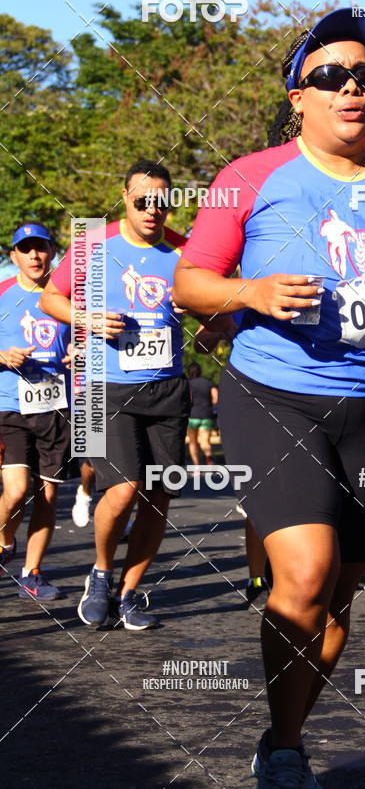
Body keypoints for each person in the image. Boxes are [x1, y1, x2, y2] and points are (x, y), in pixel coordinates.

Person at [173, 7, 365, 788]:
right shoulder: (249, 177)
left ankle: (282, 734)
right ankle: (287, 752)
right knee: (305, 572)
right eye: (331, 76)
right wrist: (253, 291)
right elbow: (189, 282)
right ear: (298, 96)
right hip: (276, 395)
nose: (352, 88)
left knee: (336, 602)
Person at [41, 159, 191, 631]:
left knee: (158, 496)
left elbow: (216, 313)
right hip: (106, 383)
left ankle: (129, 593)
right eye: (142, 200)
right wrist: (87, 319)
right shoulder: (92, 242)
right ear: (125, 197)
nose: (152, 210)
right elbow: (50, 298)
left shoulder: (185, 250)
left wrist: (212, 325)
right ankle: (101, 573)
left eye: (161, 202)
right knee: (123, 488)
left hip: (168, 386)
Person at [0, 223, 71, 599]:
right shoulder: (1, 295)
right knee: (16, 492)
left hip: (54, 407)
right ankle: (5, 541)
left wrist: (80, 355)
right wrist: (1, 356)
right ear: (13, 256)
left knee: (47, 496)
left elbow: (87, 341)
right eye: (25, 249)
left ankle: (31, 573)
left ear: (51, 252)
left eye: (40, 248)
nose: (34, 256)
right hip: (10, 405)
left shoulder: (66, 300)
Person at [186, 362, 218, 466]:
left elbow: (188, 399)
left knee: (193, 442)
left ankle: (196, 466)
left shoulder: (188, 384)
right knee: (205, 441)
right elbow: (215, 398)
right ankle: (209, 458)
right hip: (206, 415)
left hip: (192, 416)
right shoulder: (208, 383)